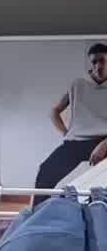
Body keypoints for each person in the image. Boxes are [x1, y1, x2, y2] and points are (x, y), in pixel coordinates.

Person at [34, 41, 107, 189]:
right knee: (45, 171)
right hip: (77, 141)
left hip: (104, 140)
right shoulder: (78, 84)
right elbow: (54, 111)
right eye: (94, 62)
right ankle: (42, 205)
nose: (98, 66)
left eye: (103, 61)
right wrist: (66, 133)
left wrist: (104, 144)